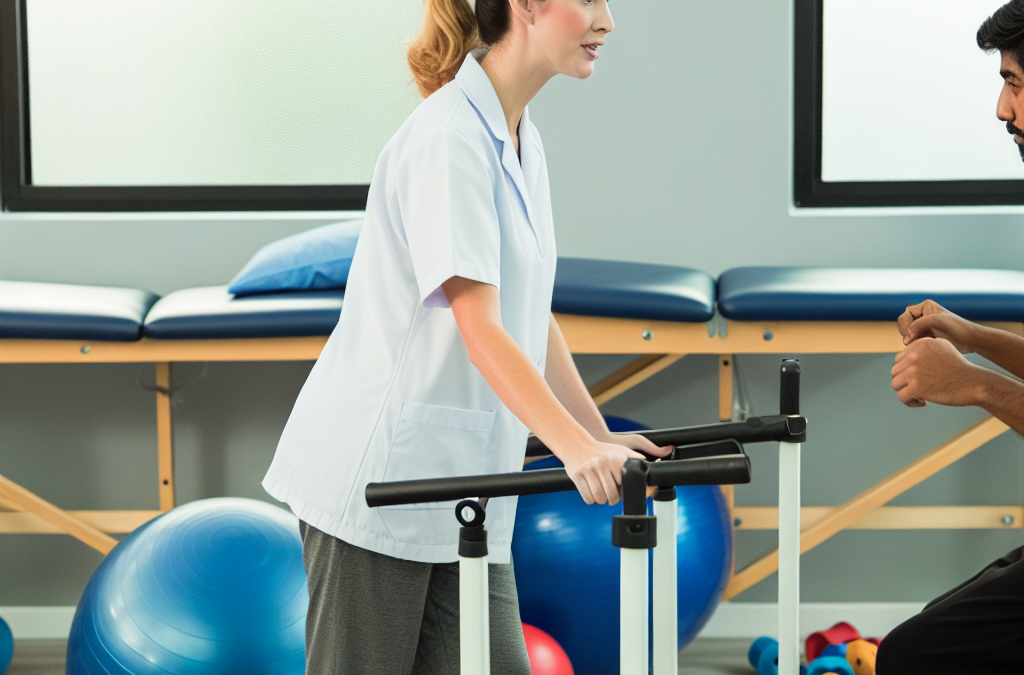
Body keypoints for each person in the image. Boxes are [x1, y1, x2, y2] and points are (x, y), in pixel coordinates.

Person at [261, 1, 669, 672]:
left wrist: (594, 433)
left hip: (461, 487)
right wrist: (572, 451)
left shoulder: (518, 137)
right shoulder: (449, 137)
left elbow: (528, 315)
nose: (608, 20)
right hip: (383, 480)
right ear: (528, 5)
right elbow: (480, 327)